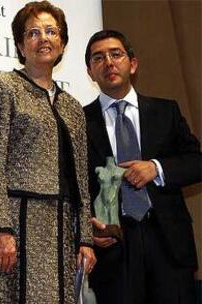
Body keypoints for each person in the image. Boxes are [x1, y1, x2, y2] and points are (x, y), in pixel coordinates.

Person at [0, 1, 96, 303]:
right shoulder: (2, 87)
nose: (44, 38)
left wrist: (85, 238)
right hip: (17, 224)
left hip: (62, 228)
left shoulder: (73, 107)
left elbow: (79, 176)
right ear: (20, 44)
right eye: (33, 33)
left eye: (51, 31)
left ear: (62, 43)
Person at [83, 29, 202, 304]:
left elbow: (196, 161)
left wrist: (156, 168)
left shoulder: (165, 111)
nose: (109, 63)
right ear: (90, 71)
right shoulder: (78, 120)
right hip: (113, 246)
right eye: (98, 58)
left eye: (116, 54)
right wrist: (86, 230)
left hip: (168, 243)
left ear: (132, 64)